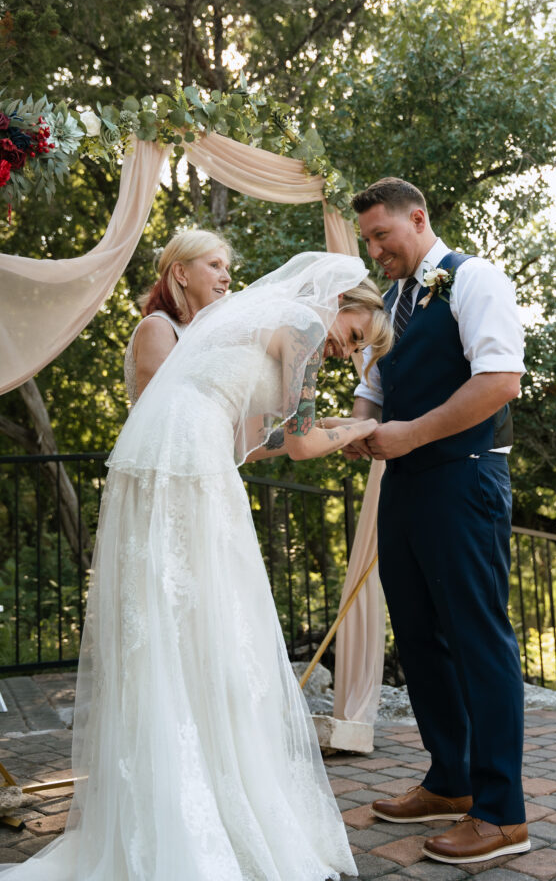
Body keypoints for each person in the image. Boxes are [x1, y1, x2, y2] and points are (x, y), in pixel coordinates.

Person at [0, 252, 392, 881]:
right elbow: (301, 444)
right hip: (188, 459)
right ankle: (209, 804)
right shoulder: (306, 329)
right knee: (212, 618)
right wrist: (363, 429)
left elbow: (258, 433)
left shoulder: (265, 318)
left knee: (168, 621)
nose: (348, 351)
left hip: (158, 449)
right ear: (343, 304)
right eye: (355, 336)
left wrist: (329, 424)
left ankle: (171, 800)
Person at [345, 178, 530, 866]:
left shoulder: (474, 279)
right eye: (367, 239)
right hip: (406, 485)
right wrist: (355, 430)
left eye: (381, 236)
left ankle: (502, 812)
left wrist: (409, 434)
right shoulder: (391, 301)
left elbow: (498, 381)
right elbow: (372, 391)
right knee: (420, 638)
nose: (374, 250)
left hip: (465, 477)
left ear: (416, 219)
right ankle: (448, 779)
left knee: (478, 638)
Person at [124, 228, 232, 404]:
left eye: (227, 269)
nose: (227, 278)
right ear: (181, 273)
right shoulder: (158, 328)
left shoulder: (208, 335)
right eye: (214, 265)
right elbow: (159, 414)